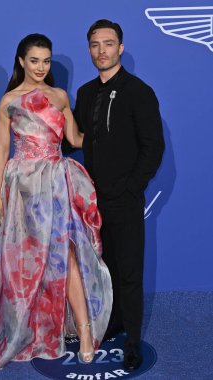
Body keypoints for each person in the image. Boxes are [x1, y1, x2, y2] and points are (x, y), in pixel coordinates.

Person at [0, 33, 112, 370]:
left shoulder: (60, 96)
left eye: (46, 60)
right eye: (34, 61)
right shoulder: (9, 101)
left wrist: (111, 134)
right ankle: (26, 329)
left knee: (67, 256)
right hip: (22, 188)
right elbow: (2, 150)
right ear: (21, 61)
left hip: (57, 184)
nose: (41, 67)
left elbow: (74, 138)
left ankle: (85, 334)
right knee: (24, 263)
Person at [74, 19, 165, 371]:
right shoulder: (84, 93)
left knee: (128, 272)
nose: (101, 51)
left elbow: (153, 147)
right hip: (91, 200)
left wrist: (131, 187)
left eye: (108, 44)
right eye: (95, 45)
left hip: (124, 200)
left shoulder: (139, 92)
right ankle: (112, 323)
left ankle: (132, 341)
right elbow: (77, 138)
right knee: (103, 269)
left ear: (120, 48)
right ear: (89, 50)